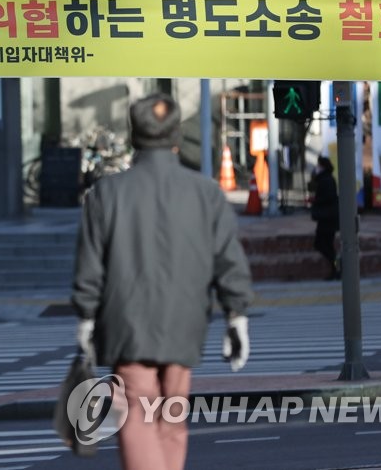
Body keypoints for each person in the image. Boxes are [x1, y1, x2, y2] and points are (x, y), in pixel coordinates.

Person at [71, 94, 254, 470]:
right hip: (184, 320)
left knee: (137, 413)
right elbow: (228, 259)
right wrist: (236, 316)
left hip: (126, 322)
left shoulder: (106, 193)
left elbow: (90, 264)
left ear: (134, 135)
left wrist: (86, 317)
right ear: (175, 137)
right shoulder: (205, 193)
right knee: (172, 417)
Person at [308, 155, 340, 280]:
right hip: (327, 218)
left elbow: (327, 198)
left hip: (328, 218)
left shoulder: (326, 180)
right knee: (326, 245)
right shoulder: (324, 179)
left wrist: (316, 201)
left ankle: (336, 266)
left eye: (319, 165)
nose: (317, 168)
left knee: (322, 244)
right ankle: (335, 268)